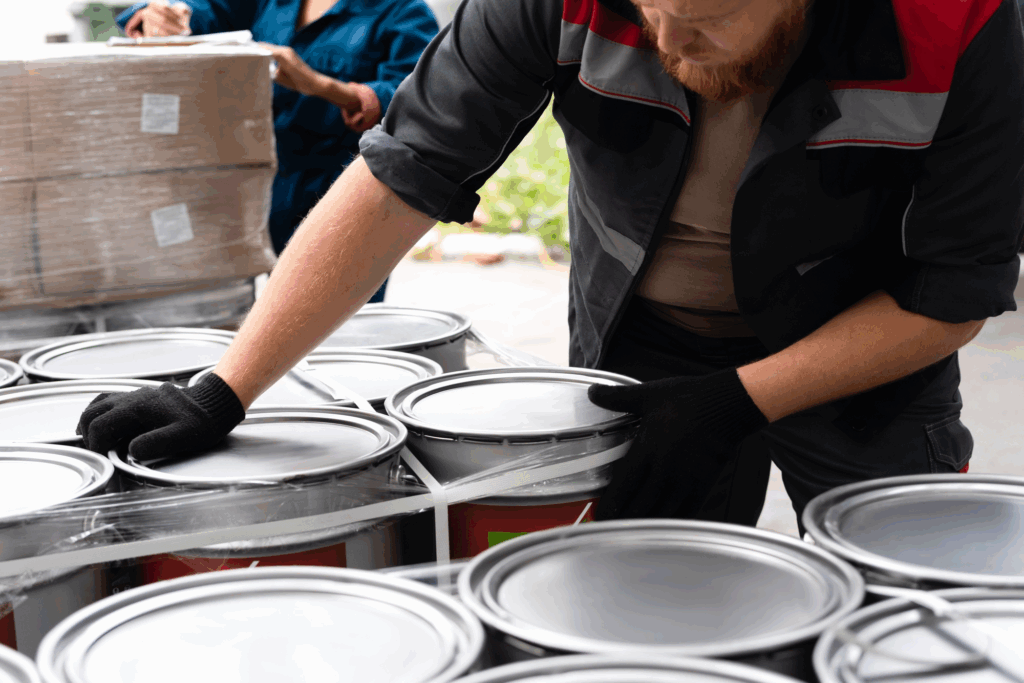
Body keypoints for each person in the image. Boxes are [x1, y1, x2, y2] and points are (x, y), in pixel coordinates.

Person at [81, 0, 1024, 534]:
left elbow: (952, 290)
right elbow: (406, 172)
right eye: (646, 6)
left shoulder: (964, 23)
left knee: (896, 598)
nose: (661, 39)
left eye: (701, 16)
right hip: (646, 346)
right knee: (659, 600)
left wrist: (744, 398)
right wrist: (226, 387)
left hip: (862, 347)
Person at [116, 0, 439, 303]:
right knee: (258, 314)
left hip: (347, 188)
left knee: (334, 319)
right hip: (263, 182)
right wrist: (167, 14)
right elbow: (207, 10)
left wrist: (322, 86)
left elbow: (418, 98)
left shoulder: (402, 11)